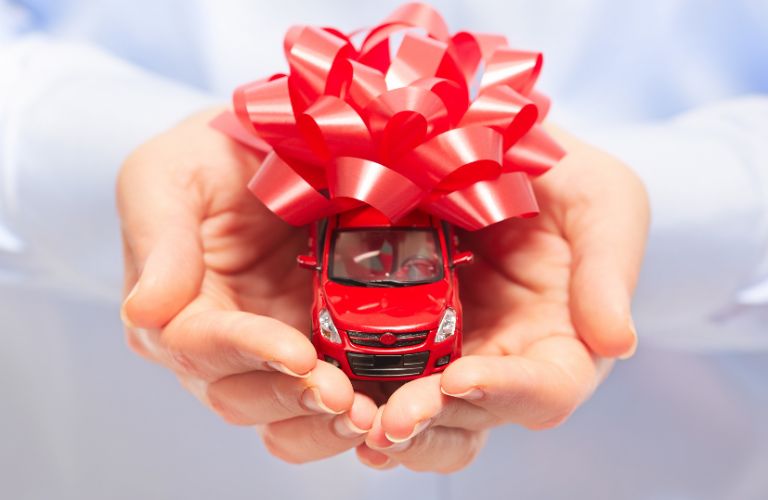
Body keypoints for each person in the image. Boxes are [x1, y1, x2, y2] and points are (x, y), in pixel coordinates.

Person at [1, 1, 766, 499]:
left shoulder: (451, 257)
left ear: (453, 258)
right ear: (316, 258)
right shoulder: (319, 252)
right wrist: (107, 165)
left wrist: (664, 209)